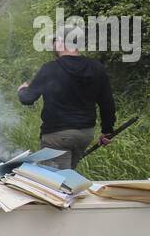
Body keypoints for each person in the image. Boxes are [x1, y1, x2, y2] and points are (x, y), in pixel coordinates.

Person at [17, 26, 117, 169]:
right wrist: (107, 130)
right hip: (84, 135)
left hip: (57, 136)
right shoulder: (96, 67)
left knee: (54, 183)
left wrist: (22, 90)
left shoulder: (50, 68)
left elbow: (27, 99)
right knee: (67, 179)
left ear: (60, 42)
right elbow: (107, 103)